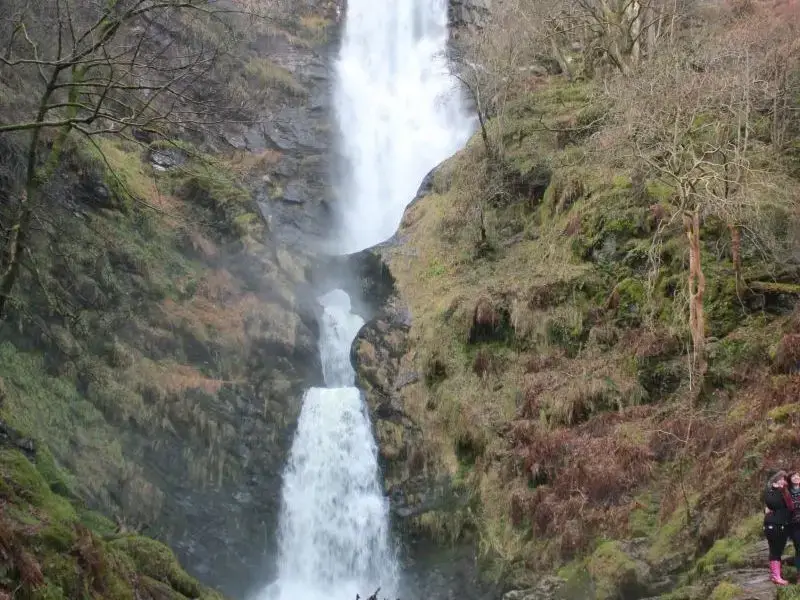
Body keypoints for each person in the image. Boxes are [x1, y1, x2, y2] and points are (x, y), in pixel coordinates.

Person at [764, 470, 792, 585]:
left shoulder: (785, 492)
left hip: (783, 525)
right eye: (780, 479)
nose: (782, 481)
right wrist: (777, 489)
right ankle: (776, 576)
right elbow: (773, 504)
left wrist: (784, 490)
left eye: (784, 479)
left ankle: (775, 574)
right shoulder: (771, 491)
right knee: (775, 550)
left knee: (778, 550)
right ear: (775, 480)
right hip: (772, 524)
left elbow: (790, 506)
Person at [787, 472, 800, 577]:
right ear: (790, 479)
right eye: (794, 476)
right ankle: (799, 574)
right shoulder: (787, 493)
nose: (796, 477)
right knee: (798, 548)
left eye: (798, 475)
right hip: (794, 524)